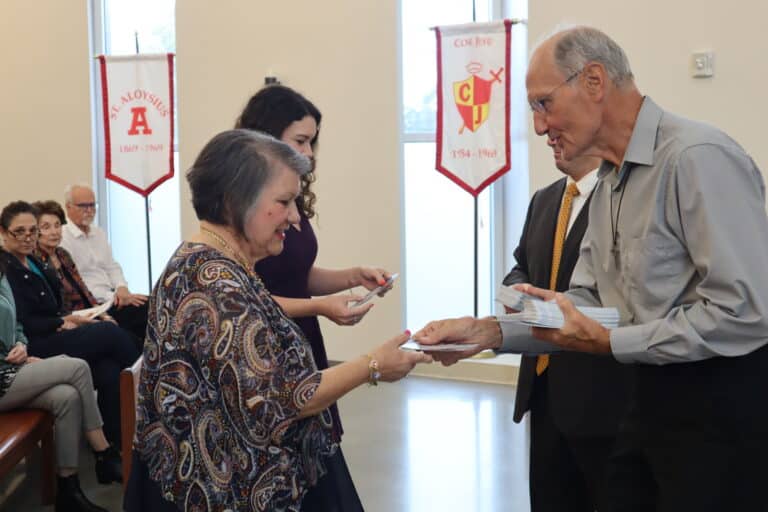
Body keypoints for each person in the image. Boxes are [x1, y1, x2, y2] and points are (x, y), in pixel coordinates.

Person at [415, 26, 768, 511]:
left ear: (594, 81)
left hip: (720, 419)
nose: (539, 126)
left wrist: (613, 342)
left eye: (544, 104)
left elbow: (746, 311)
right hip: (648, 405)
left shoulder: (697, 158)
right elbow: (591, 303)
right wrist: (490, 331)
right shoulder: (609, 182)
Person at [124, 129, 431, 512]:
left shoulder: (219, 263)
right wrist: (372, 364)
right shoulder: (214, 283)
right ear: (235, 201)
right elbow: (279, 401)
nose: (295, 217)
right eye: (284, 202)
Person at [235, 85, 394, 510]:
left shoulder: (289, 199)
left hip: (303, 340)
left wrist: (352, 276)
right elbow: (249, 298)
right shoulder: (246, 210)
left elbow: (297, 276)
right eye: (301, 140)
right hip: (267, 349)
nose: (309, 152)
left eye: (312, 142)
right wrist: (320, 307)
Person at [501, 142, 633, 512]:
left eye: (559, 127)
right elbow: (522, 264)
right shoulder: (544, 199)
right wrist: (517, 289)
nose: (548, 137)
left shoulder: (620, 202)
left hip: (600, 395)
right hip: (542, 389)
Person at [0, 200, 141, 447]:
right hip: (36, 343)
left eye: (32, 230)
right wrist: (61, 321)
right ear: (3, 232)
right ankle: (150, 391)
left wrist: (76, 318)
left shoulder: (35, 261)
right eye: (19, 232)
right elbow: (23, 321)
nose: (28, 237)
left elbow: (60, 304)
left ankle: (117, 447)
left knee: (108, 370)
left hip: (55, 330)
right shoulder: (6, 268)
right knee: (109, 333)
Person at [0, 259, 122, 512]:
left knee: (66, 397)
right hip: (3, 374)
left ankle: (68, 491)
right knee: (77, 367)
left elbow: (18, 324)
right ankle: (104, 452)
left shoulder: (2, 274)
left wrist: (21, 345)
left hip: (12, 367)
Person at [60, 184, 149, 341]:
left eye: (92, 205)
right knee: (146, 311)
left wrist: (122, 288)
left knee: (154, 305)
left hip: (112, 297)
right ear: (68, 207)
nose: (89, 210)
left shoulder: (98, 233)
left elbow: (112, 267)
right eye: (83, 206)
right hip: (94, 304)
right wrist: (114, 296)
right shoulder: (63, 237)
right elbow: (78, 283)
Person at [33, 200, 118, 323]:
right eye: (46, 227)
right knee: (111, 331)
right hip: (66, 320)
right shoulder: (34, 260)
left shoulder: (63, 254)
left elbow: (83, 289)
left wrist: (103, 315)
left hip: (87, 312)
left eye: (57, 225)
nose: (54, 232)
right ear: (35, 231)